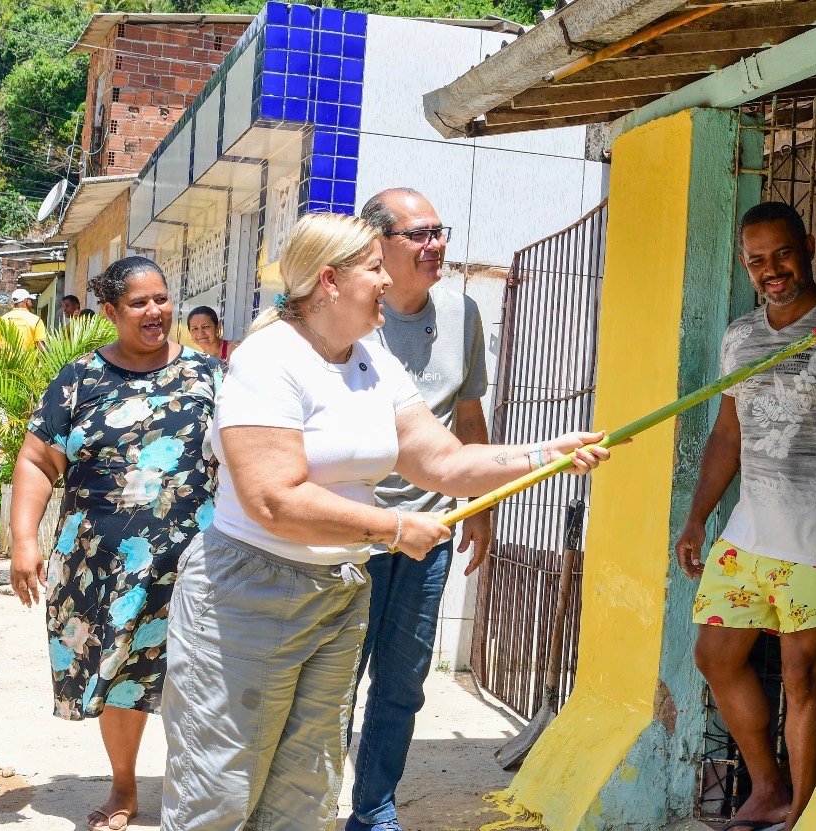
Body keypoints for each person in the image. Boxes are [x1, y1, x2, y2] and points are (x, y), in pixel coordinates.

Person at [160, 212, 610, 831]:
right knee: (221, 790)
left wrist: (544, 455)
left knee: (307, 791)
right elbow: (274, 500)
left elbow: (443, 460)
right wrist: (394, 528)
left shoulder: (369, 358)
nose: (385, 281)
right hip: (250, 592)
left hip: (337, 589)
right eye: (374, 268)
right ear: (330, 281)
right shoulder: (270, 360)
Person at [9, 256, 223, 831]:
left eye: (162, 299)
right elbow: (36, 459)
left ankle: (196, 794)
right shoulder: (79, 379)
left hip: (201, 562)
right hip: (103, 564)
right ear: (110, 311)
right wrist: (22, 541)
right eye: (139, 303)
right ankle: (124, 787)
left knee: (202, 678)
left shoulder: (211, 376)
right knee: (122, 675)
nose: (156, 312)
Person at [674, 202, 816, 831]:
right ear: (744, 264)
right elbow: (729, 431)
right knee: (715, 655)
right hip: (749, 533)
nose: (771, 270)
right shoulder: (741, 336)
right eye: (757, 260)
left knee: (803, 675)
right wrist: (699, 517)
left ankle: (804, 810)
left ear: (805, 246)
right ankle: (770, 787)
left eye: (781, 254)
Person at [344, 188, 486, 831]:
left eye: (439, 232)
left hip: (430, 532)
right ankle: (313, 801)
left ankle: (373, 809)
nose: (436, 246)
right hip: (356, 533)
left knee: (402, 683)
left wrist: (477, 508)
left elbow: (470, 415)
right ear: (378, 244)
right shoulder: (350, 316)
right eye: (419, 235)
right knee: (335, 682)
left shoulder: (463, 313)